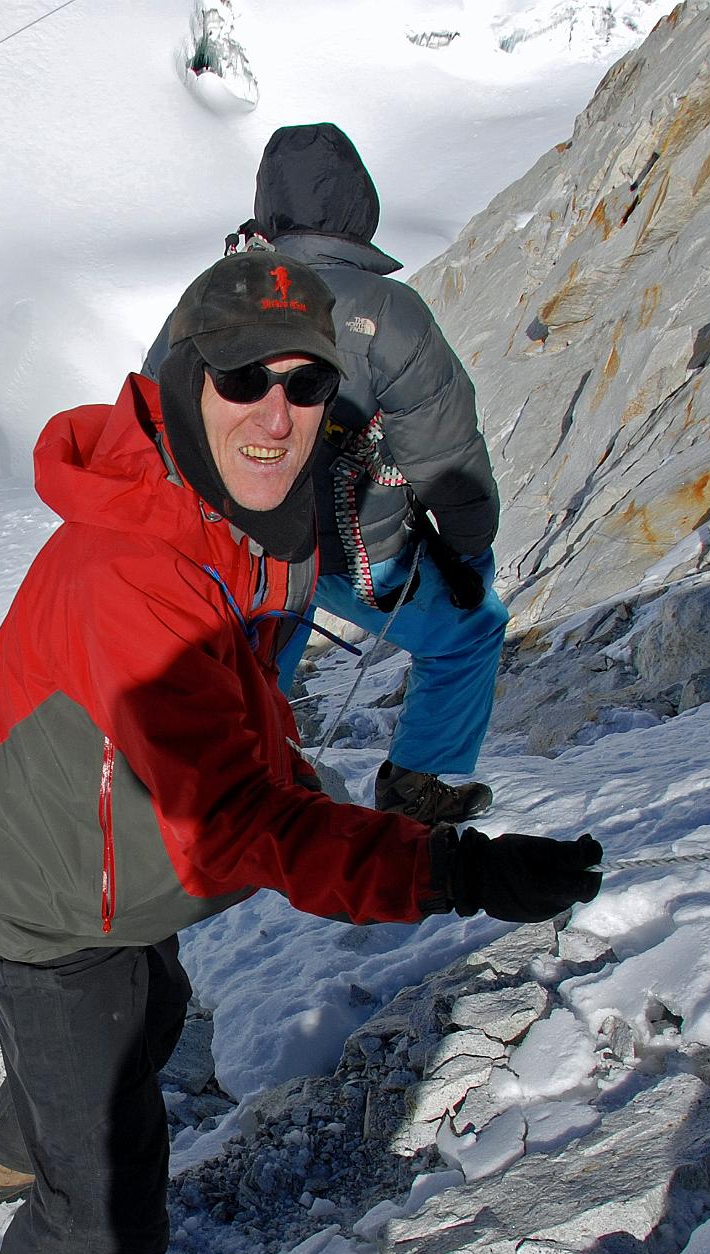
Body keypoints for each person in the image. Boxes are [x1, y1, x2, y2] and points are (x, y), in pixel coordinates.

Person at [0, 250, 601, 1254]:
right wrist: (452, 870)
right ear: (188, 380)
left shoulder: (217, 507)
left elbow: (232, 733)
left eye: (305, 387)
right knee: (109, 1211)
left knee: (152, 1014)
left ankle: (17, 1132)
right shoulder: (142, 577)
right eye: (245, 378)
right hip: (48, 900)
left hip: (78, 853)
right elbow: (241, 825)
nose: (276, 412)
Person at [145, 124, 507, 825]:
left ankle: (242, 782)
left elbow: (150, 411)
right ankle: (416, 782)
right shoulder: (390, 313)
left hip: (242, 545)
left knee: (262, 648)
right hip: (357, 554)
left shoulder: (213, 299)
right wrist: (466, 550)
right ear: (358, 206)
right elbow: (447, 459)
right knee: (472, 629)